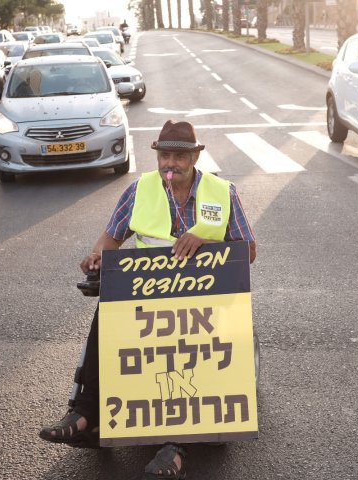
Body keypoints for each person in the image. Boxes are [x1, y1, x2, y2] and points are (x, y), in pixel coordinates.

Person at [38, 120, 257, 479]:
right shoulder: (140, 190)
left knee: (187, 344)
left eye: (180, 157)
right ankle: (86, 411)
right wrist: (96, 257)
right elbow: (112, 237)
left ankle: (175, 445)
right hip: (146, 291)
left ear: (195, 157)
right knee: (106, 316)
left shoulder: (222, 192)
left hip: (204, 295)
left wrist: (204, 240)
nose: (171, 164)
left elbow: (247, 251)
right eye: (165, 155)